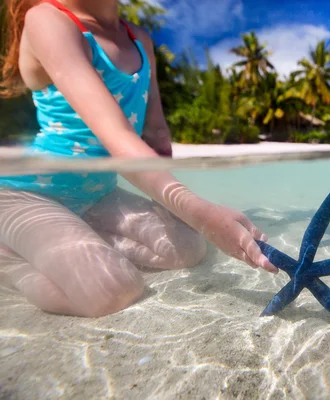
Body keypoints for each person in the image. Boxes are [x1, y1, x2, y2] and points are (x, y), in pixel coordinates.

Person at [0, 0, 278, 318]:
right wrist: (200, 211)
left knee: (188, 247)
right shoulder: (48, 20)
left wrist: (179, 210)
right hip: (29, 196)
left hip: (97, 194)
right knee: (111, 290)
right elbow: (117, 136)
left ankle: (78, 236)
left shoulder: (139, 38)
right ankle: (8, 262)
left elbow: (156, 132)